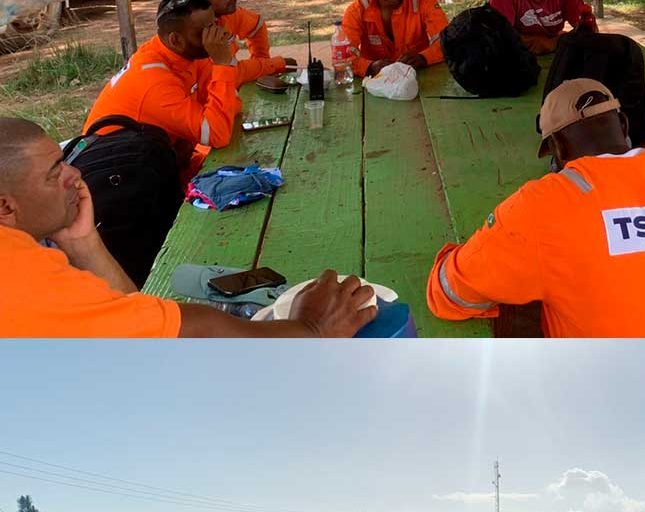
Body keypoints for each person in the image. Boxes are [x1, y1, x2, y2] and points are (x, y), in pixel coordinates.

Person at [426, 79, 645, 337]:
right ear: (624, 127)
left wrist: (472, 251)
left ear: (555, 148)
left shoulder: (540, 209)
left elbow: (449, 294)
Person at [0, 118, 376, 338]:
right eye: (54, 173)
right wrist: (311, 329)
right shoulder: (19, 271)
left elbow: (136, 325)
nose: (75, 174)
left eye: (65, 162)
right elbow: (180, 339)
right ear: (5, 206)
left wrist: (82, 242)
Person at [84, 0, 244, 178]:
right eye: (205, 31)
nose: (216, 36)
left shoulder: (187, 53)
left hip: (155, 158)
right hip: (119, 175)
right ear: (175, 39)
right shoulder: (154, 81)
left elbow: (233, 106)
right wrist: (223, 65)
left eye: (214, 25)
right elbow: (217, 134)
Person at [342, 0, 449, 78]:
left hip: (421, 79)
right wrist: (369, 67)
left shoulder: (424, 3)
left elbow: (448, 42)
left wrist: (424, 58)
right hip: (373, 84)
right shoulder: (356, 11)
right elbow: (344, 57)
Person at [210, 0, 298, 84]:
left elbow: (256, 26)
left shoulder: (227, 14)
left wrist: (262, 61)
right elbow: (231, 73)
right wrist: (273, 65)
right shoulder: (201, 33)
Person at [488, 0, 594, 55]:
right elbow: (498, 40)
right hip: (516, 62)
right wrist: (554, 42)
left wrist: (556, 42)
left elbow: (589, 35)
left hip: (554, 58)